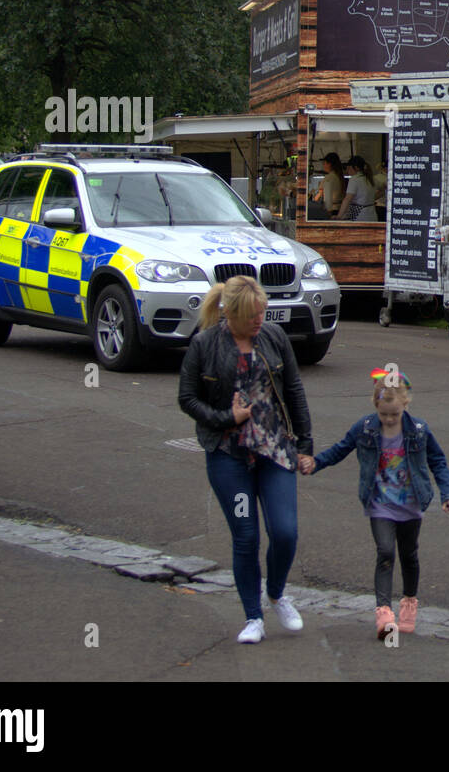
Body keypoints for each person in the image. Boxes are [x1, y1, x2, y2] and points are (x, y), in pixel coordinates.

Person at [178, 275, 314, 644]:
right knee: (246, 535)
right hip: (229, 456)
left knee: (285, 533)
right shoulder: (204, 344)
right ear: (232, 314)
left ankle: (277, 593)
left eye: (263, 312)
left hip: (274, 450)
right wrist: (226, 418)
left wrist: (305, 445)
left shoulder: (274, 338)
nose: (260, 320)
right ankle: (253, 616)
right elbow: (187, 398)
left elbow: (295, 391)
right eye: (253, 315)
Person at [301, 369, 449, 640]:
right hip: (380, 503)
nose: (388, 419)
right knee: (385, 551)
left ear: (405, 405)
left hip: (410, 504)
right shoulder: (365, 428)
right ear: (376, 406)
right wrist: (316, 463)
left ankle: (409, 601)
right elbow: (340, 449)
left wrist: (448, 494)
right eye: (384, 414)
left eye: (394, 414)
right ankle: (384, 612)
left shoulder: (419, 430)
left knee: (409, 554)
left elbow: (438, 461)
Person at [336, 155, 378, 221]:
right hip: (372, 214)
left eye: (349, 168)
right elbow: (383, 188)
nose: (347, 170)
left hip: (360, 216)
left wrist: (338, 216)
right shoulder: (371, 178)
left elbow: (347, 199)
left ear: (356, 168)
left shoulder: (354, 179)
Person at [310, 153, 345, 218]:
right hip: (339, 209)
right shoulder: (339, 176)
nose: (323, 166)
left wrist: (312, 203)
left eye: (324, 163)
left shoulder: (329, 177)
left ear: (330, 164)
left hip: (331, 210)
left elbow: (319, 195)